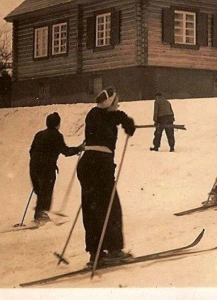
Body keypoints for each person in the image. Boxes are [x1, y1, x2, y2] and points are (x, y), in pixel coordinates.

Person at [77, 87, 137, 267]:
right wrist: (127, 122)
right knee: (111, 207)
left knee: (92, 209)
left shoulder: (92, 115)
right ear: (110, 103)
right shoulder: (109, 115)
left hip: (87, 164)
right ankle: (114, 250)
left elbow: (114, 117)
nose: (118, 104)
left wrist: (123, 120)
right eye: (116, 101)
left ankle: (96, 253)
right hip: (100, 165)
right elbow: (118, 117)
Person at [29, 112, 84, 224]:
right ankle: (41, 215)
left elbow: (31, 150)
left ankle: (39, 213)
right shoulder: (56, 135)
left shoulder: (39, 134)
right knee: (46, 190)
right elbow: (66, 151)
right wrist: (79, 148)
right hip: (47, 167)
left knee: (40, 190)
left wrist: (37, 160)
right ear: (58, 124)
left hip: (34, 165)